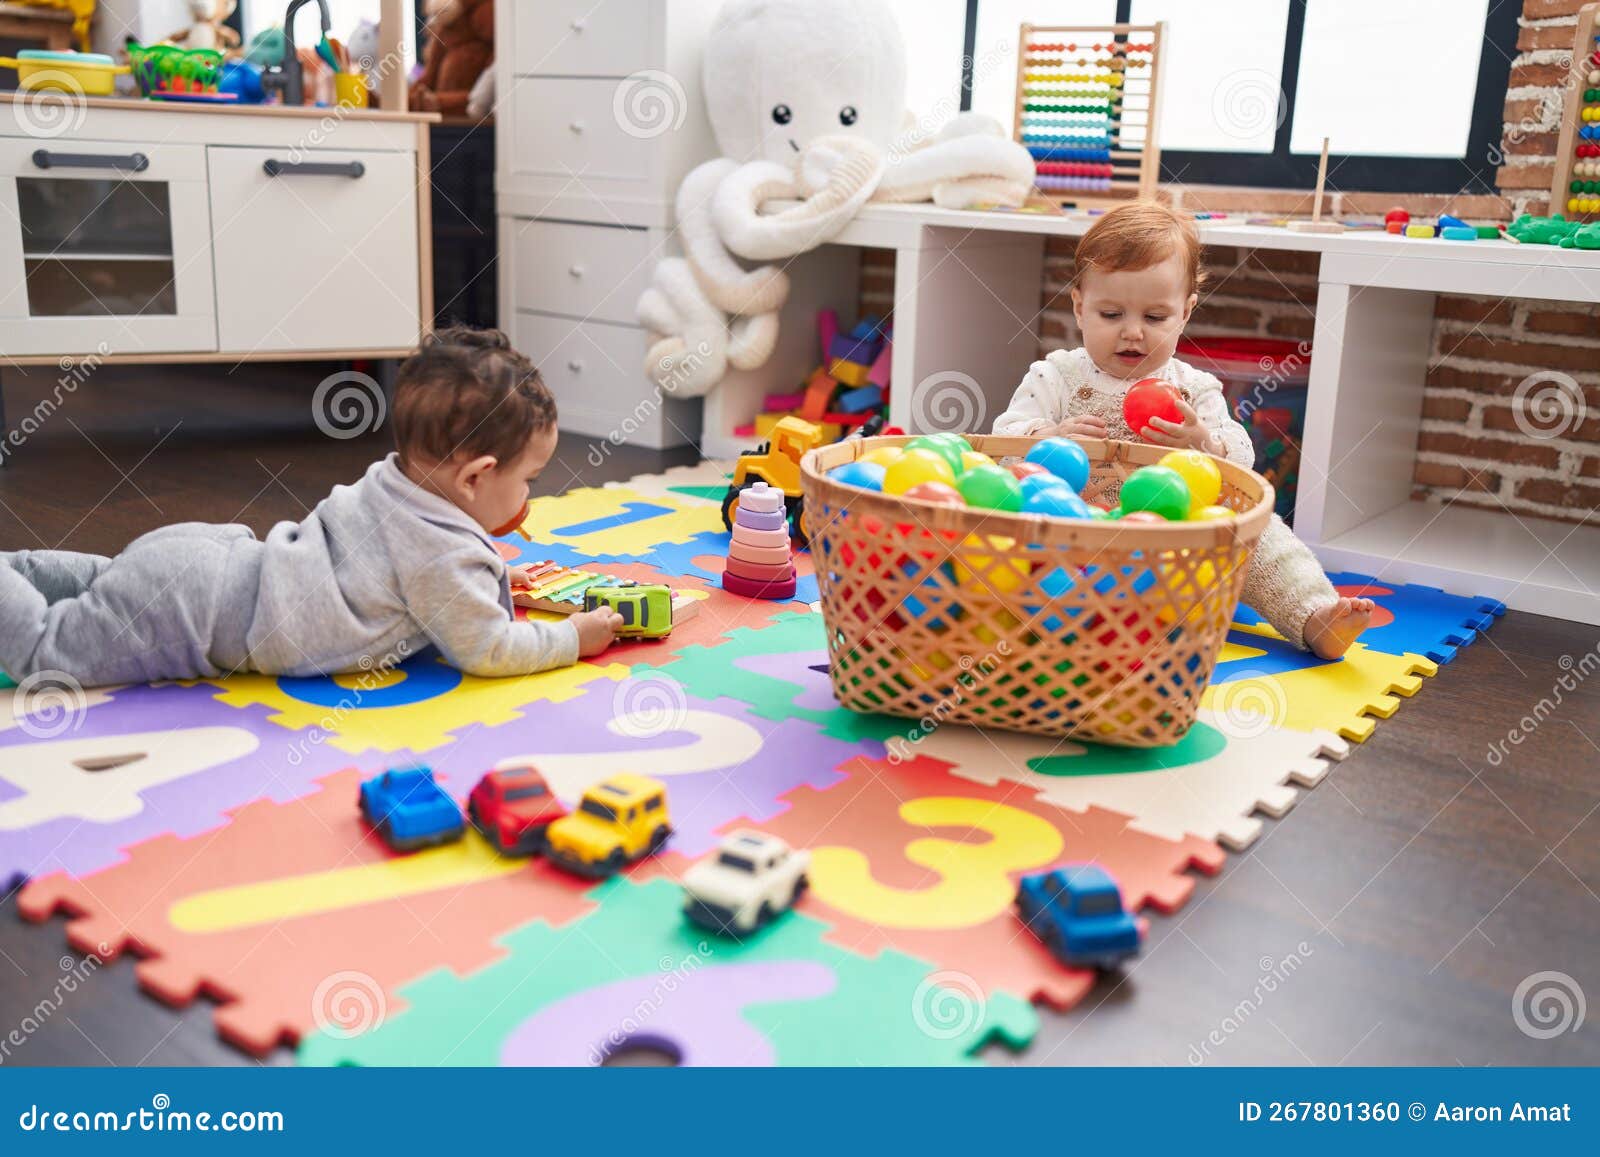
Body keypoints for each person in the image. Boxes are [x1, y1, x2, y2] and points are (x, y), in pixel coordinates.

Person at [0, 327, 623, 686]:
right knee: (44, 653)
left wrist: (488, 579)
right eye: (530, 480)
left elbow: (416, 579)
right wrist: (572, 636)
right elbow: (488, 649)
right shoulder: (442, 555)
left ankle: (19, 567)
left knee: (102, 582)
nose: (529, 496)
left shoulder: (397, 479)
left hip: (209, 561)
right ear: (476, 477)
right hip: (199, 615)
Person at [994, 202, 1370, 658]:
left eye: (1155, 318)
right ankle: (1042, 622)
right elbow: (1005, 445)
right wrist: (1051, 436)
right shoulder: (1054, 376)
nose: (1132, 332)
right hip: (1077, 535)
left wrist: (1202, 443)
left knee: (1258, 534)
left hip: (1176, 548)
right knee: (1006, 530)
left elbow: (1240, 461)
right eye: (1111, 314)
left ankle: (1313, 616)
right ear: (1078, 307)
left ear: (1186, 313)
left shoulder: (1193, 388)